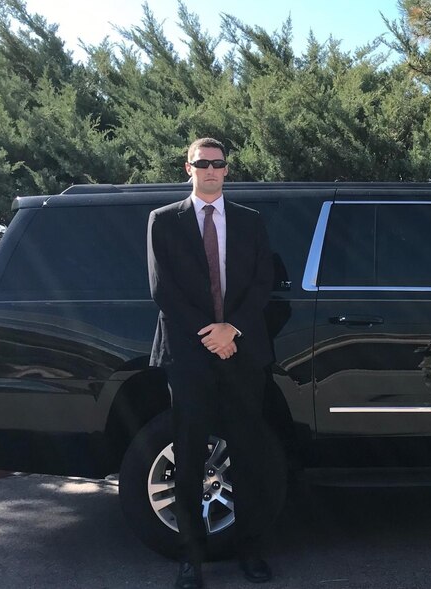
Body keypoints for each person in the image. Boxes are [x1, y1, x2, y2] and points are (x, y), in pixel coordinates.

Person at [148, 137, 276, 588]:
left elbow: (264, 282)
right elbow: (163, 291)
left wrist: (232, 329)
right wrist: (210, 334)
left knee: (248, 454)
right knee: (188, 455)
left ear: (226, 170)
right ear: (188, 167)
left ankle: (250, 549)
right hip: (188, 355)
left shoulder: (250, 222)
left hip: (241, 353)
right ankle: (191, 559)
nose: (210, 170)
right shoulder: (163, 222)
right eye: (202, 163)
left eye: (217, 164)